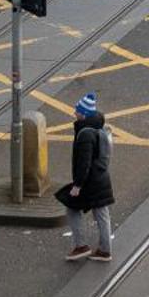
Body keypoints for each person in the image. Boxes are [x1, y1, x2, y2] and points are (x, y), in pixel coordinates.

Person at [60, 92, 114, 263]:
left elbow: (84, 162)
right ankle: (104, 250)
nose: (74, 113)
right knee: (101, 214)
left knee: (72, 206)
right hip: (101, 177)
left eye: (77, 110)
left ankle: (81, 246)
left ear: (83, 113)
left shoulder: (85, 134)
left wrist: (77, 185)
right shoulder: (100, 128)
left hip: (89, 182)